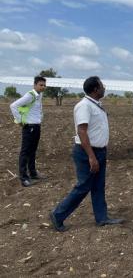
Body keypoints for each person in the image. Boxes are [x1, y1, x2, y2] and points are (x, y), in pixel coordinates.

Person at [50, 76, 123, 232]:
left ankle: (102, 218)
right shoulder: (84, 106)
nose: (105, 87)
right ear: (96, 89)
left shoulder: (96, 105)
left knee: (98, 186)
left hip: (100, 151)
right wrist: (91, 156)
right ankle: (57, 215)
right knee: (83, 186)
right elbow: (82, 131)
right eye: (102, 85)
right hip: (87, 152)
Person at [10, 76, 46, 187]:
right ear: (35, 85)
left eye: (44, 85)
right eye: (41, 85)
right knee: (25, 152)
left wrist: (40, 117)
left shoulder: (39, 95)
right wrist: (20, 121)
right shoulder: (30, 95)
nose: (43, 87)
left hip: (36, 126)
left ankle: (33, 173)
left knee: (33, 151)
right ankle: (24, 178)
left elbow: (37, 109)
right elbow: (13, 105)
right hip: (29, 127)